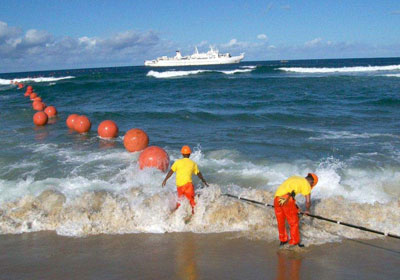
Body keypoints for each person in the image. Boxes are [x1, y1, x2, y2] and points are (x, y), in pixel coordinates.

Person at [274, 173, 318, 247]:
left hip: (277, 198)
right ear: (311, 182)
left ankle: (283, 240)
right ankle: (294, 242)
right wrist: (307, 210)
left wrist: (295, 207)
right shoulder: (306, 185)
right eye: (312, 185)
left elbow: (289, 192)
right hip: (287, 199)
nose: (311, 187)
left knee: (281, 221)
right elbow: (308, 201)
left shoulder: (295, 178)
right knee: (293, 222)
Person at [162, 145, 209, 213]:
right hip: (188, 185)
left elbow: (171, 171)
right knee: (191, 201)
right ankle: (195, 215)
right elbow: (198, 173)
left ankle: (177, 215)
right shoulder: (193, 163)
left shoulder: (177, 162)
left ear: (182, 154)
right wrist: (203, 181)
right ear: (189, 154)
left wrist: (165, 180)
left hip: (180, 186)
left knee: (180, 201)